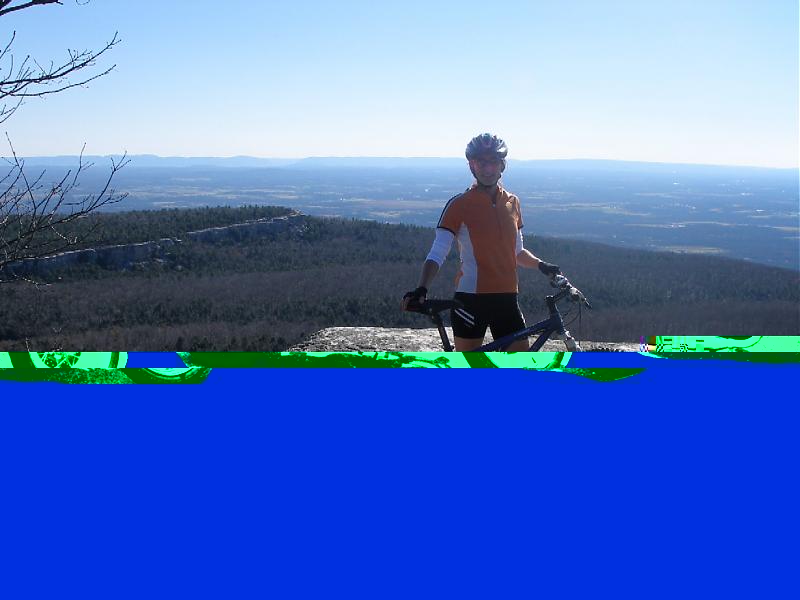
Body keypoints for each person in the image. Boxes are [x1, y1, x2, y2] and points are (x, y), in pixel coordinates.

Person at [401, 133, 561, 351]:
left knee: (519, 366)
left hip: (507, 299)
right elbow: (438, 252)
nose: (487, 169)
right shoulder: (459, 205)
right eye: (480, 163)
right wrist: (422, 288)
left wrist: (542, 265)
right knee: (470, 368)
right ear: (472, 166)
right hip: (470, 301)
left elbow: (517, 252)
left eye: (493, 162)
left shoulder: (512, 202)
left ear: (502, 165)